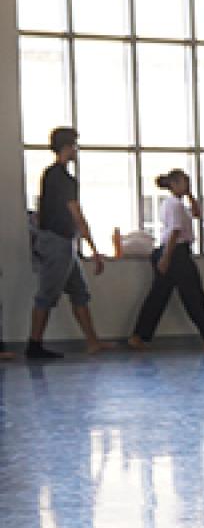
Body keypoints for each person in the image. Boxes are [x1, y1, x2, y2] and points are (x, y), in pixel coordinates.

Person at [26, 127, 110, 359]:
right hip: (57, 243)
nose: (76, 150)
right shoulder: (63, 178)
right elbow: (76, 214)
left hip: (61, 242)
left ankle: (93, 342)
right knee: (47, 294)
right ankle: (34, 345)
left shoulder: (50, 174)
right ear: (67, 147)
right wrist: (94, 250)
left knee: (79, 291)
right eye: (74, 145)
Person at [128, 169, 204, 352]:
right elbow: (175, 232)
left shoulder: (179, 204)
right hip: (175, 253)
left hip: (175, 253)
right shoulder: (173, 204)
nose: (187, 185)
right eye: (183, 182)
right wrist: (166, 258)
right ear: (173, 184)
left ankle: (139, 336)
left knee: (159, 296)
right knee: (193, 294)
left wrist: (190, 195)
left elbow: (197, 213)